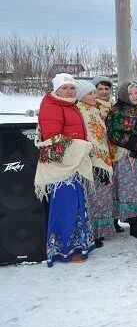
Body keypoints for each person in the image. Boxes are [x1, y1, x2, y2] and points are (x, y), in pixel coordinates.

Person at [35, 73, 95, 266]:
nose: (69, 91)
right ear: (56, 89)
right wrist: (81, 146)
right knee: (64, 207)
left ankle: (76, 246)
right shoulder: (52, 106)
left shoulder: (69, 104)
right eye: (65, 87)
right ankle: (61, 249)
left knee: (76, 205)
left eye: (72, 87)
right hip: (61, 167)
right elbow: (52, 138)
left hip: (72, 164)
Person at [106, 81, 137, 239]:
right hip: (126, 155)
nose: (134, 96)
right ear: (124, 95)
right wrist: (133, 143)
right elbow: (112, 133)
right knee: (129, 189)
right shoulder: (118, 110)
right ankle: (133, 223)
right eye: (131, 94)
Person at [76, 82, 115, 249]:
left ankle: (100, 231)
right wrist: (94, 160)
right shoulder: (80, 111)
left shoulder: (93, 110)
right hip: (91, 160)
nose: (94, 96)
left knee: (101, 196)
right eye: (90, 93)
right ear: (81, 96)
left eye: (94, 93)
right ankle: (92, 233)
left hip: (102, 157)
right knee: (91, 197)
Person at [92, 75, 123, 233]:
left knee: (114, 188)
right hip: (100, 154)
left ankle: (113, 221)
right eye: (100, 89)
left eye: (106, 89)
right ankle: (98, 228)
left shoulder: (113, 106)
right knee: (101, 191)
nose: (104, 92)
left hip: (115, 152)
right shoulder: (92, 106)